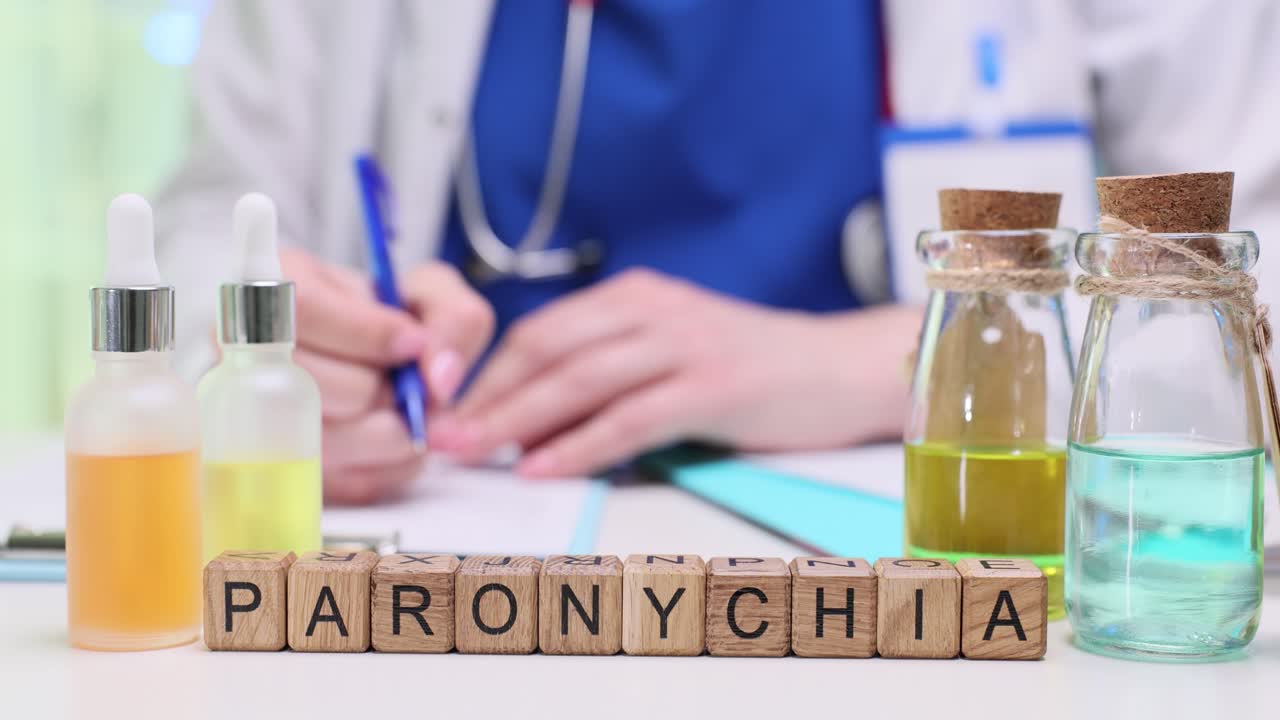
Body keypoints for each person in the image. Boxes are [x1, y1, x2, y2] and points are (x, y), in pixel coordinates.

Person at [158, 0, 1280, 504]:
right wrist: (269, 354)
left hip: (902, 570)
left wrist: (899, 361)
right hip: (456, 531)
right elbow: (208, 223)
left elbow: (1246, 262)